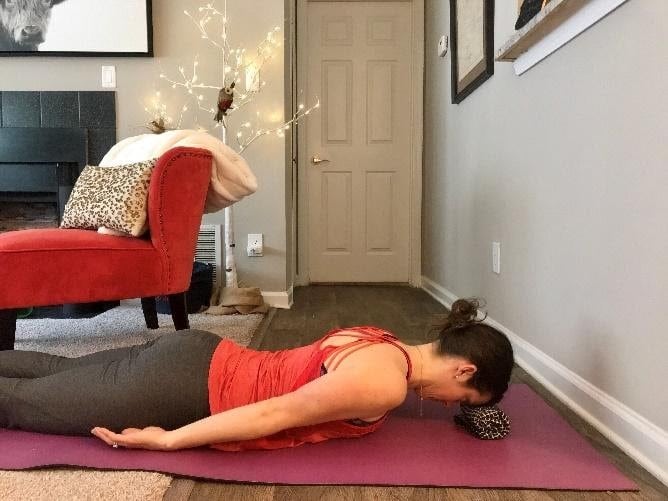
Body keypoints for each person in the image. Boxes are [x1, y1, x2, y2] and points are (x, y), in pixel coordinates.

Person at [0, 298, 513, 451]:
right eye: (464, 398)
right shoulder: (385, 382)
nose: (450, 406)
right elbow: (276, 412)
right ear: (463, 368)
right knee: (25, 405)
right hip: (184, 388)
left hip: (198, 352)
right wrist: (170, 441)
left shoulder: (384, 339)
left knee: (51, 368)